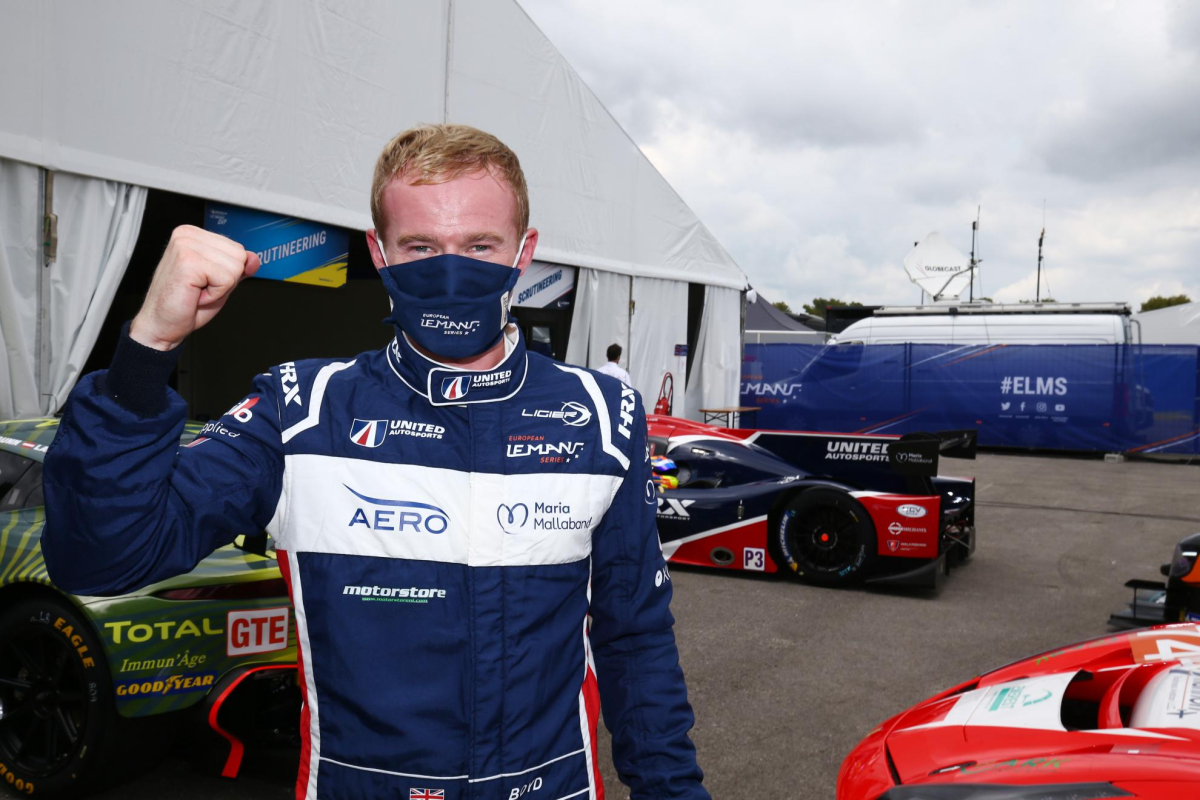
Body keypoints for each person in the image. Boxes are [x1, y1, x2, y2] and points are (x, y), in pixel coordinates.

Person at [41, 124, 708, 799]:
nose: (452, 271)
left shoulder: (601, 415)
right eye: (421, 247)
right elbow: (102, 558)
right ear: (381, 254)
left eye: (480, 245)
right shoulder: (302, 410)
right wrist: (147, 349)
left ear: (523, 253)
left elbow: (636, 640)